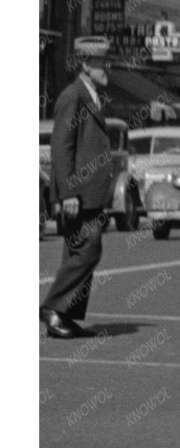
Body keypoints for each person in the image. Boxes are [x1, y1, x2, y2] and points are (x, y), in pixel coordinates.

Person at [42, 38, 120, 339]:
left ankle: (66, 315)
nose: (108, 67)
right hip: (79, 193)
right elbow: (62, 147)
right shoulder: (73, 96)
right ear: (86, 65)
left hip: (90, 193)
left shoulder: (91, 95)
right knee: (87, 250)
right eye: (103, 62)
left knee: (81, 250)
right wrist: (69, 192)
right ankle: (52, 308)